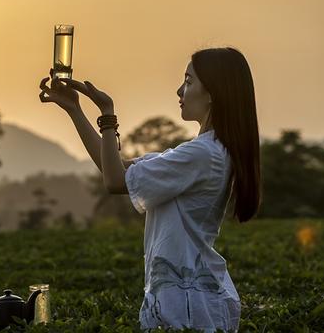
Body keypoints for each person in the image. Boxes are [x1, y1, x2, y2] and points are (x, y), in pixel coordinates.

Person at [38, 47, 261, 332]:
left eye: (189, 82)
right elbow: (115, 169)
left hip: (190, 304)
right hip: (187, 299)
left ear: (212, 93)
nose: (180, 90)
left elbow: (115, 181)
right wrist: (75, 110)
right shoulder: (201, 153)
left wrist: (108, 114)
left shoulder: (202, 155)